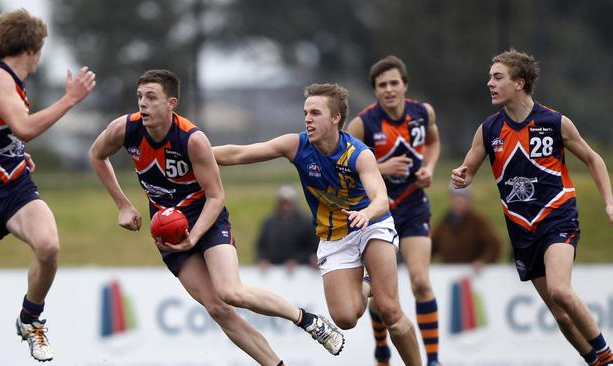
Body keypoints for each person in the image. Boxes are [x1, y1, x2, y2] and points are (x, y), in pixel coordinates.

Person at [89, 69, 344, 366]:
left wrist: (194, 236)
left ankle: (308, 321)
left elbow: (216, 196)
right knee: (217, 308)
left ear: (171, 103)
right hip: (168, 232)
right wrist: (123, 204)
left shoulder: (191, 139)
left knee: (230, 292)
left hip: (206, 219)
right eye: (140, 97)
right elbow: (96, 154)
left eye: (151, 98)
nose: (142, 104)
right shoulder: (125, 129)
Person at [214, 83, 422, 365]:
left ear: (335, 117)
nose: (307, 119)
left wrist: (366, 213)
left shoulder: (359, 154)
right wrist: (193, 150)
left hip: (371, 225)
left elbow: (381, 200)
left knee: (388, 309)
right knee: (345, 318)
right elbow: (240, 153)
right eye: (305, 113)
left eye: (315, 113)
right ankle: (365, 285)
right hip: (334, 236)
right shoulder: (296, 145)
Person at [451, 49, 613, 366]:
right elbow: (467, 170)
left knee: (561, 291)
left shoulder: (554, 122)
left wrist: (608, 201)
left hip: (558, 215)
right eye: (490, 77)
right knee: (561, 316)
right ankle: (595, 361)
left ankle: (606, 354)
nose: (490, 83)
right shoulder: (488, 129)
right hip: (522, 229)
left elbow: (594, 159)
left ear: (519, 83)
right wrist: (461, 177)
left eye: (498, 77)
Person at [0, 9, 96, 365]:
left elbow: (6, 133)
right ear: (33, 48)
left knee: (48, 245)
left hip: (12, 186)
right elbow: (23, 126)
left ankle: (30, 317)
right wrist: (70, 98)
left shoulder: (15, 85)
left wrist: (18, 153)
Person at [345, 55, 442, 366]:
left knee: (421, 281)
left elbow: (434, 142)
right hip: (377, 211)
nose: (389, 89)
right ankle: (382, 347)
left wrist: (428, 167)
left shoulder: (422, 113)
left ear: (405, 85)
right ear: (375, 90)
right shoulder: (362, 123)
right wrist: (380, 168)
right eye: (382, 85)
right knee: (380, 289)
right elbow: (343, 166)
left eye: (393, 83)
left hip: (413, 205)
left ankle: (434, 359)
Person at [431, 186, 501, 271]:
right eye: (455, 197)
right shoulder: (443, 223)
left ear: (469, 200)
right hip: (448, 274)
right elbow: (431, 246)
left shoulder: (478, 221)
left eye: (462, 197)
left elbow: (493, 245)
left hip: (472, 275)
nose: (458, 201)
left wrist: (483, 261)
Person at [256, 185, 319, 274]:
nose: (285, 207)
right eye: (283, 203)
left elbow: (312, 248)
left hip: (300, 272)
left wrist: (297, 260)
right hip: (273, 271)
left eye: (288, 203)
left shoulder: (306, 223)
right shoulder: (269, 223)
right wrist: (263, 259)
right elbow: (261, 246)